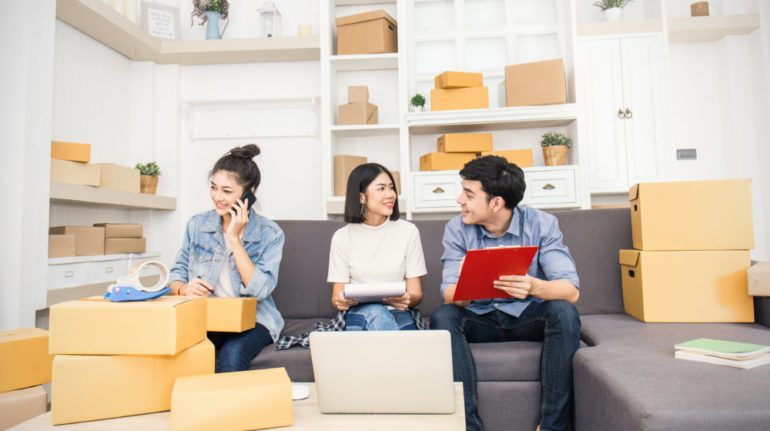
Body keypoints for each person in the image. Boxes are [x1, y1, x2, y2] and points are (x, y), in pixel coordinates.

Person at [430, 155, 581, 431]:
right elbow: (449, 294)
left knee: (563, 311)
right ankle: (469, 427)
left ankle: (551, 427)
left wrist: (535, 286)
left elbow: (570, 290)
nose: (459, 200)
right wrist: (470, 284)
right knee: (443, 316)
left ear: (496, 202)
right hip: (480, 318)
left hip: (526, 316)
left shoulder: (541, 224)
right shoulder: (456, 229)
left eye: (468, 194)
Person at [168, 144, 285, 373]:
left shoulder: (271, 234)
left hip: (255, 320)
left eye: (227, 191)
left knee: (232, 354)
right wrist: (184, 289)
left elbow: (260, 291)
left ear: (250, 191)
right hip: (209, 316)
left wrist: (233, 238)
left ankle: (230, 409)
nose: (217, 197)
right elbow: (175, 275)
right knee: (191, 352)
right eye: (213, 188)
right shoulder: (197, 225)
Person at [327, 163, 427, 331]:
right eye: (381, 189)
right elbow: (337, 296)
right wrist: (340, 300)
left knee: (388, 321)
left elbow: (416, 292)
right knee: (377, 314)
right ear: (361, 197)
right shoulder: (342, 237)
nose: (390, 195)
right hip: (359, 315)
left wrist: (408, 299)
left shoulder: (408, 231)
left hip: (398, 312)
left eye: (391, 188)